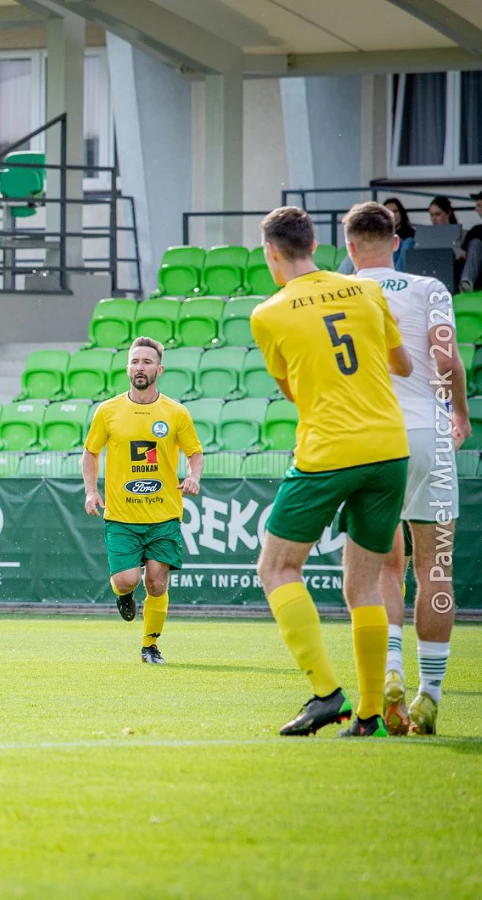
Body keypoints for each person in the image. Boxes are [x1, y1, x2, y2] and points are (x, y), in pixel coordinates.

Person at [250, 205, 413, 738]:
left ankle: (326, 693)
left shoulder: (269, 314)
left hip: (328, 451)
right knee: (364, 585)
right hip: (389, 449)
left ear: (271, 253)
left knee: (277, 568)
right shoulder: (366, 291)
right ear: (316, 245)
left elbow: (291, 391)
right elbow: (401, 363)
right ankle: (370, 716)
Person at [346, 201, 471, 735]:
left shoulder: (340, 292)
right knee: (435, 568)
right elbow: (445, 359)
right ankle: (430, 696)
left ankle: (391, 671)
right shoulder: (429, 289)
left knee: (382, 568)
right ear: (397, 242)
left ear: (350, 246)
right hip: (429, 434)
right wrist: (458, 412)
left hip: (371, 437)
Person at [82, 336, 203, 664]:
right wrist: (91, 491)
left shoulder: (176, 413)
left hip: (164, 516)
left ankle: (150, 646)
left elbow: (194, 453)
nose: (140, 367)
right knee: (127, 581)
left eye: (147, 362)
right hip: (122, 516)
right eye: (135, 361)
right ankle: (123, 595)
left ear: (159, 370)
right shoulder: (108, 411)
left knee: (156, 583)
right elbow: (91, 452)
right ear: (127, 368)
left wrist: (193, 476)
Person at [458, 190, 482, 293]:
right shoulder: (476, 230)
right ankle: (466, 283)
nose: (476, 209)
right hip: (478, 273)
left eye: (479, 206)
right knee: (475, 243)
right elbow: (463, 255)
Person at [383, 198, 416, 272]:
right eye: (389, 212)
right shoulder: (380, 237)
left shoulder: (413, 235)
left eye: (395, 211)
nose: (393, 215)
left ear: (401, 213)